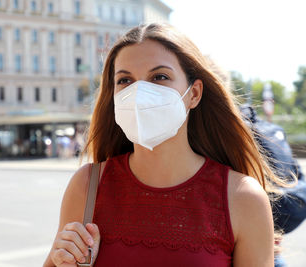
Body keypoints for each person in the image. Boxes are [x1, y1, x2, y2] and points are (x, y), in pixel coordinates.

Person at [43, 23, 289, 267]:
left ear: (194, 94)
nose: (139, 91)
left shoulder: (243, 198)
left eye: (159, 77)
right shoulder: (86, 186)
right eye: (125, 80)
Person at [240, 104, 306, 267]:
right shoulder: (270, 129)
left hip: (252, 223)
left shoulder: (229, 129)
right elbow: (295, 171)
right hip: (283, 209)